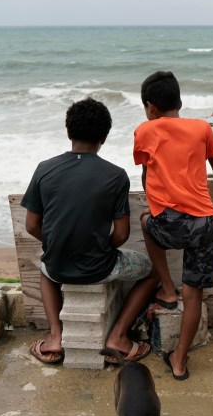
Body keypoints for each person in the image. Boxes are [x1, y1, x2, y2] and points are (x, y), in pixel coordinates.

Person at [21, 98, 159, 365]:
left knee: (45, 269)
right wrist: (99, 246)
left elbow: (31, 225)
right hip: (99, 267)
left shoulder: (44, 169)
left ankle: (55, 337)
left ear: (68, 131)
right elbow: (121, 235)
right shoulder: (116, 175)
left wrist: (57, 242)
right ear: (104, 137)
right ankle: (118, 336)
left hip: (59, 265)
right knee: (152, 273)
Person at [135, 71, 213, 380]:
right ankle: (179, 361)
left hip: (169, 222)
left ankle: (166, 289)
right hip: (205, 222)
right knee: (194, 296)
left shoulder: (145, 131)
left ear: (151, 107)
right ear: (180, 101)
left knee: (143, 221)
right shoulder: (202, 128)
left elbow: (146, 173)